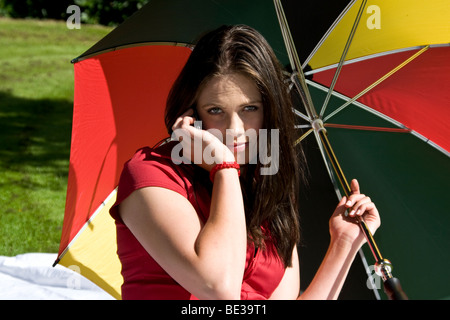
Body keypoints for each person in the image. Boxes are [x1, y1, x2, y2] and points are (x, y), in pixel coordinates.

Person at [110, 24, 380, 300]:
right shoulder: (152, 174)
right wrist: (224, 168)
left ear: (270, 110)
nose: (234, 129)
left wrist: (344, 243)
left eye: (249, 108)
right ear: (191, 114)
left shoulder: (264, 185)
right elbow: (218, 288)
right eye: (216, 110)